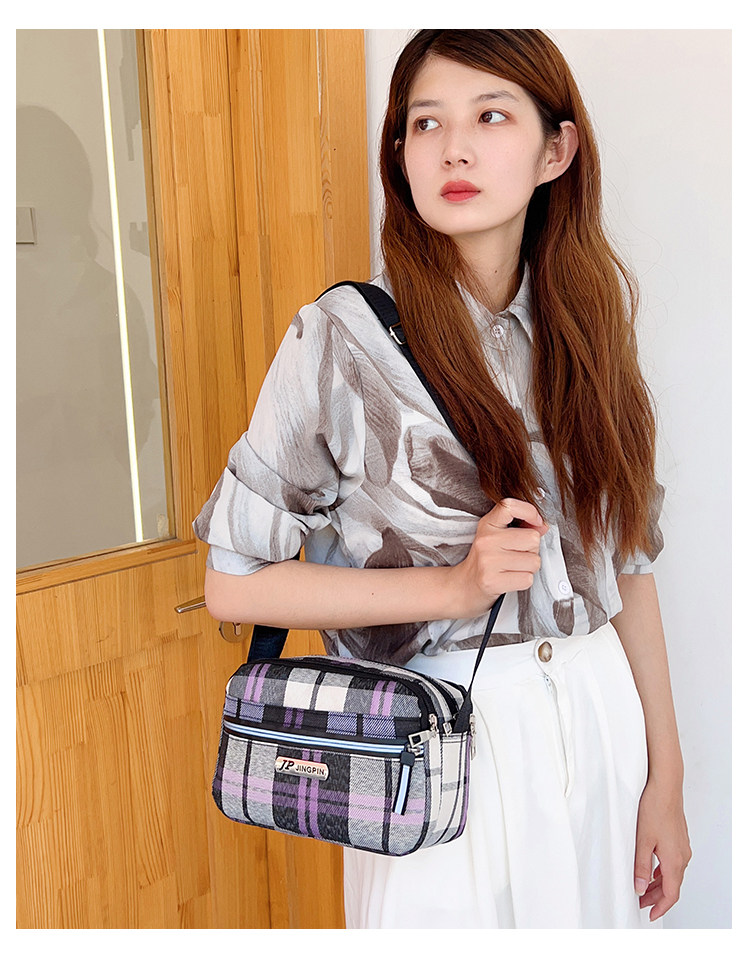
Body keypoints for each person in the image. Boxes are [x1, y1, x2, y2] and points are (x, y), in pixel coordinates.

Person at [193, 29, 691, 929]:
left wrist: (667, 775)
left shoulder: (588, 332)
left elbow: (629, 566)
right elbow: (233, 583)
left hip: (598, 719)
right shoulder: (342, 338)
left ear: (555, 151)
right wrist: (455, 586)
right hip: (432, 741)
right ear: (401, 154)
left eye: (490, 116)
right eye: (426, 123)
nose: (453, 148)